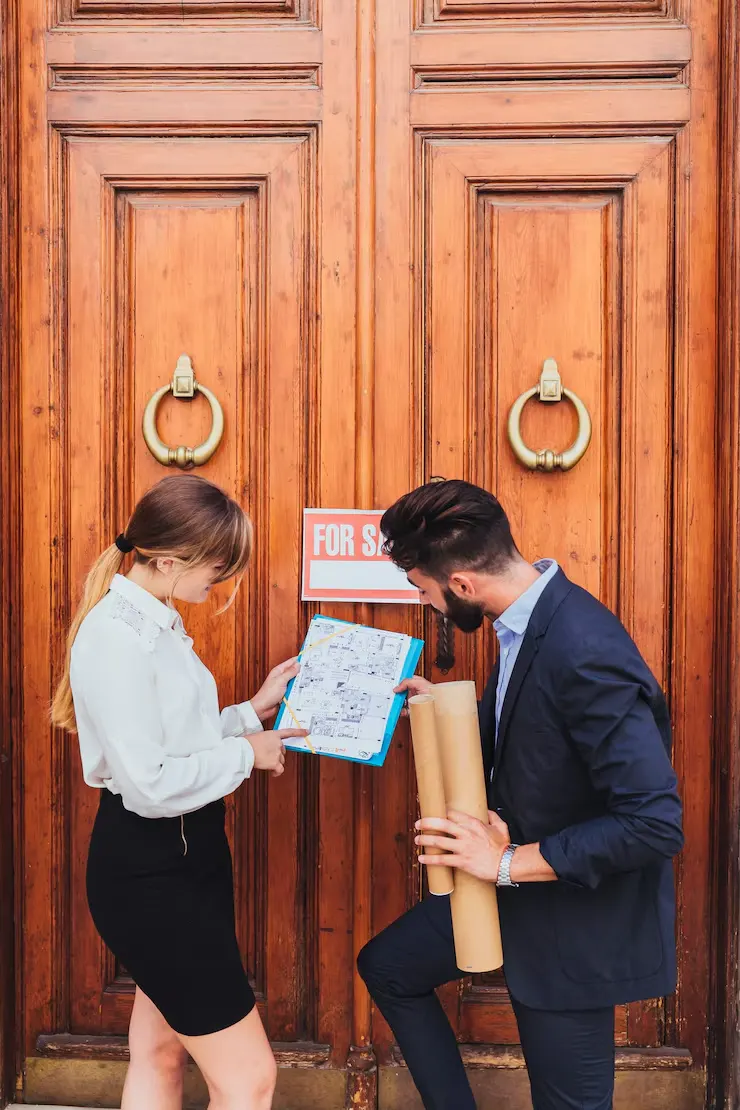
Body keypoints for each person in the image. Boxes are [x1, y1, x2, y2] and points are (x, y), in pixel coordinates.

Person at [357, 479, 683, 1110]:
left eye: (421, 589)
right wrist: (439, 710)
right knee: (390, 967)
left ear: (463, 585)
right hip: (515, 895)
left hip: (573, 921)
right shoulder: (523, 621)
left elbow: (653, 822)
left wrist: (503, 863)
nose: (424, 603)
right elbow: (527, 737)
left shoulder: (584, 648)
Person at [51, 474, 307, 1110]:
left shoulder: (155, 625)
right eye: (217, 567)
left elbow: (171, 742)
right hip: (151, 871)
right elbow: (148, 784)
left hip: (186, 860)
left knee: (162, 1054)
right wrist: (245, 755)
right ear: (168, 559)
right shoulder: (118, 636)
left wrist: (251, 711)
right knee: (249, 1080)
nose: (219, 582)